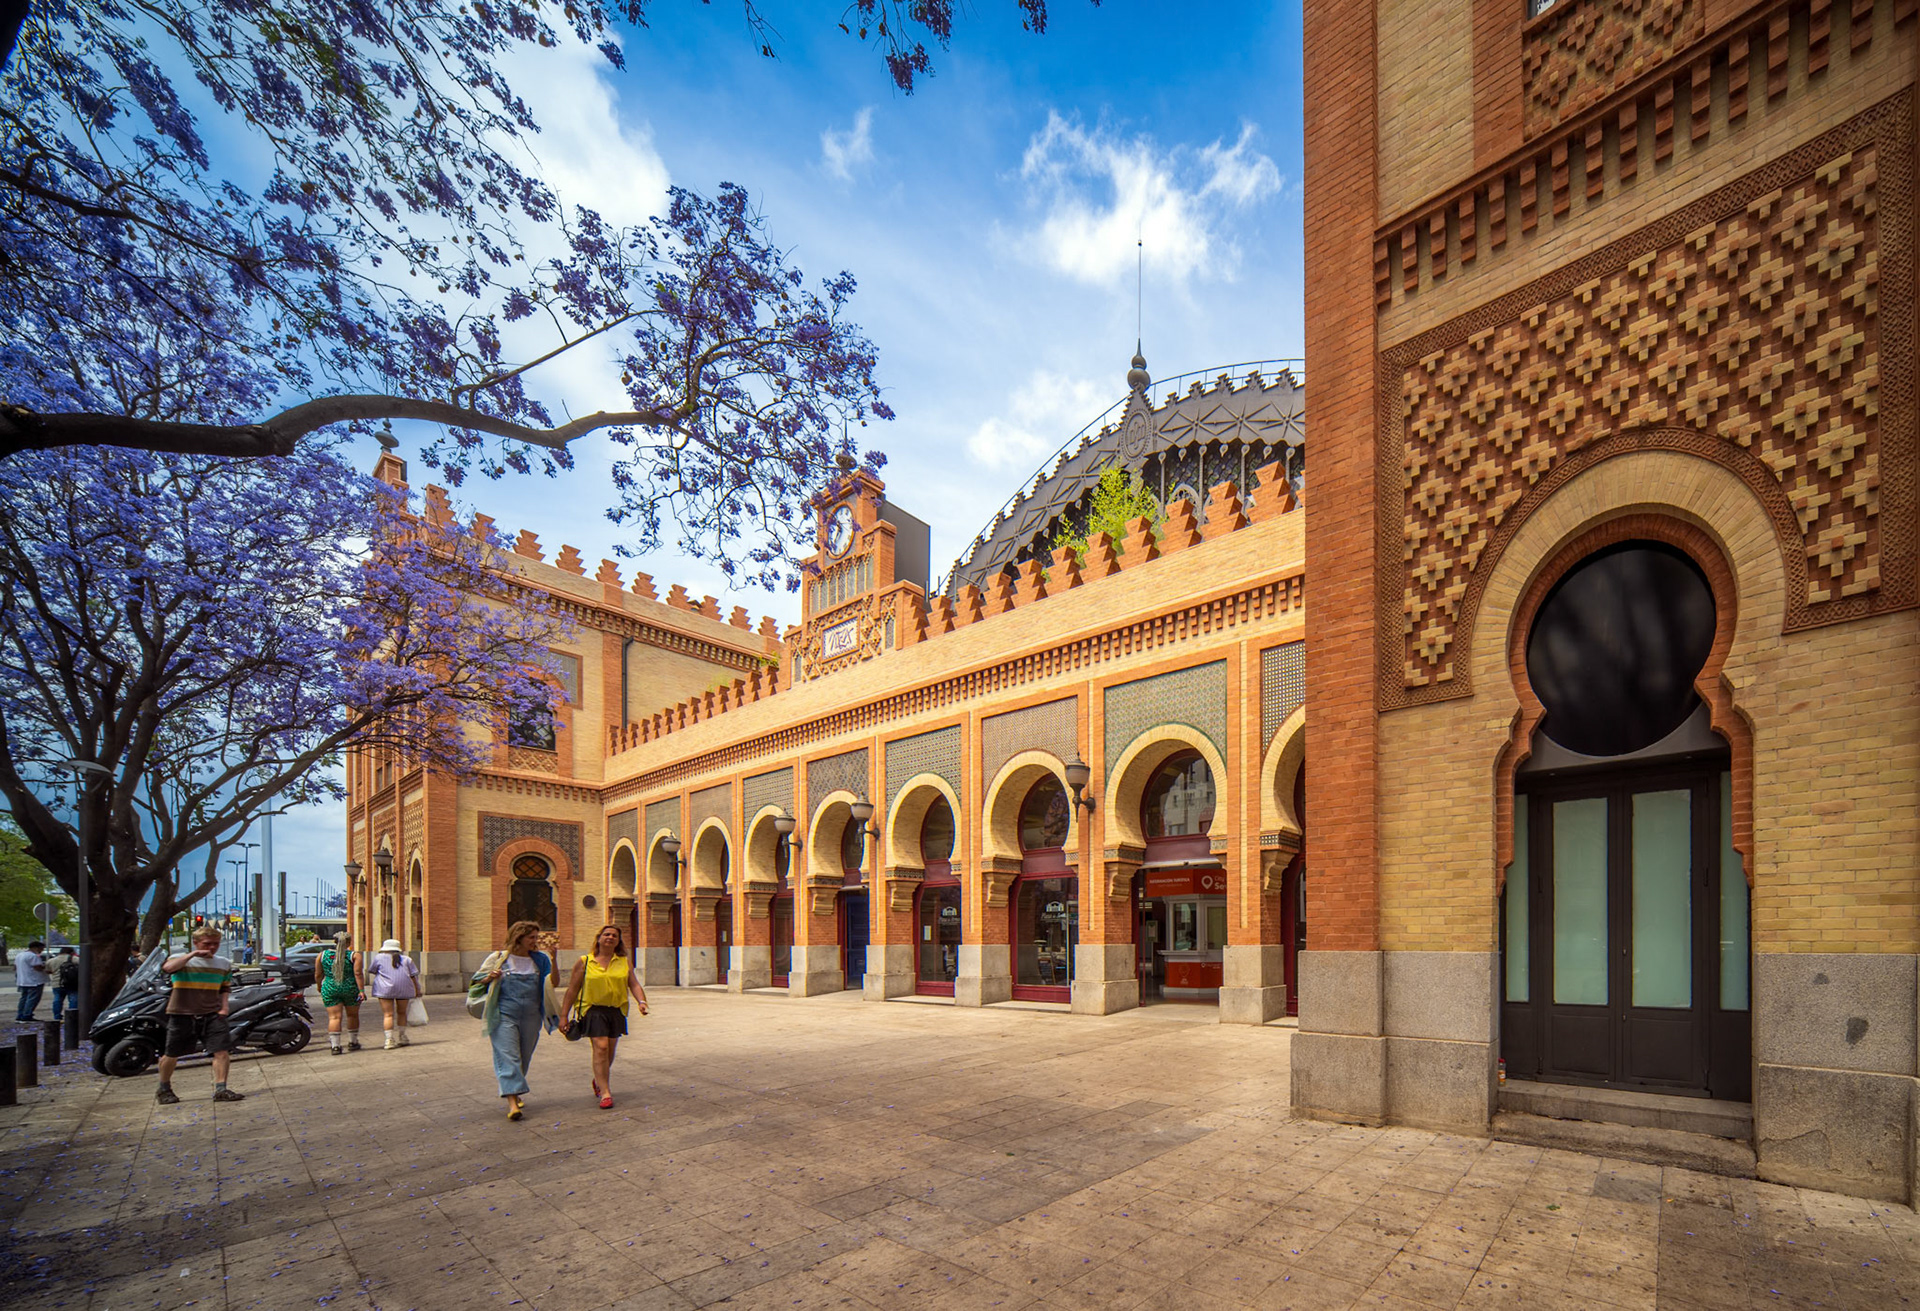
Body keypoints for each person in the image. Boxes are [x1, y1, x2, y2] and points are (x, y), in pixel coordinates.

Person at [473, 920, 558, 1121]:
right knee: (508, 1055)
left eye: (536, 937)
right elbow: (476, 980)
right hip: (503, 1014)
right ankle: (512, 1103)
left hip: (532, 1015)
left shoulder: (540, 960)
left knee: (524, 1056)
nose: (535, 941)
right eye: (531, 937)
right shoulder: (498, 958)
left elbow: (553, 983)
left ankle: (515, 1090)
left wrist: (554, 960)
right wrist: (489, 977)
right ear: (518, 937)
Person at [560, 923, 649, 1110]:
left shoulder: (623, 961)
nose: (610, 938)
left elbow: (633, 984)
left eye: (614, 936)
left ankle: (598, 1080)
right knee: (600, 1047)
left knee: (609, 1050)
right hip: (592, 1009)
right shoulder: (585, 961)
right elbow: (572, 990)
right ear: (599, 938)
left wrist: (642, 1001)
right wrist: (563, 1016)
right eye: (606, 934)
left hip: (616, 1010)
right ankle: (606, 1092)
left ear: (618, 942)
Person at [155, 926, 244, 1104]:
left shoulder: (223, 963)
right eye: (207, 944)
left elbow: (225, 988)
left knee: (221, 1051)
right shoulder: (180, 960)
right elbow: (168, 969)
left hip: (212, 1013)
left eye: (215, 944)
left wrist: (224, 1008)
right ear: (196, 943)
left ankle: (221, 1089)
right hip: (182, 1012)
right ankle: (164, 1088)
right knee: (171, 1053)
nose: (211, 948)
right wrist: (192, 955)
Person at [366, 938, 421, 1049]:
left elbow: (372, 970)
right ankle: (402, 1036)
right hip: (404, 988)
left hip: (384, 989)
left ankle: (389, 1039)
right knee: (402, 1012)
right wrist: (417, 989)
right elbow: (413, 976)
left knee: (388, 1014)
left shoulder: (378, 958)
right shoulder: (407, 960)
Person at [317, 931, 366, 1055]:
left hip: (330, 988)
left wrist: (319, 986)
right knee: (352, 1015)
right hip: (350, 988)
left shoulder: (322, 955)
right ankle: (353, 1042)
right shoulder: (354, 955)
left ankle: (335, 1046)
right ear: (349, 942)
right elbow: (358, 974)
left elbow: (318, 974)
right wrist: (361, 990)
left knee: (334, 1017)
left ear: (334, 941)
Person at [12, 941, 46, 1021]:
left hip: (22, 980)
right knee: (32, 999)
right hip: (34, 981)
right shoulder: (33, 956)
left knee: (24, 998)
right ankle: (27, 1015)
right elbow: (37, 967)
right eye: (41, 949)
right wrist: (44, 966)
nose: (42, 951)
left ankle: (20, 1015)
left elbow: (15, 967)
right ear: (36, 948)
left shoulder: (19, 955)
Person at [49, 947, 79, 1021]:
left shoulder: (51, 961)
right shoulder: (75, 959)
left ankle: (57, 1016)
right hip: (72, 983)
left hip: (57, 983)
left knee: (57, 999)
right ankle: (72, 1016)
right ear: (71, 952)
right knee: (73, 1000)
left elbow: (48, 971)